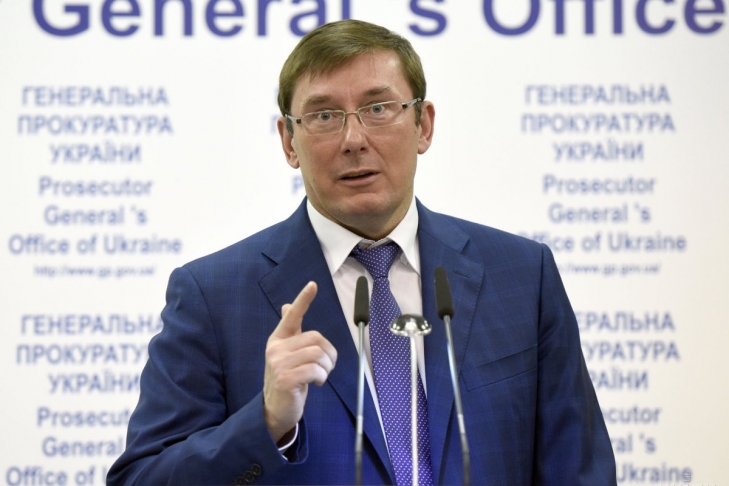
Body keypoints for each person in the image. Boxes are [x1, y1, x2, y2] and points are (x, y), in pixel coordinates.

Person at [107, 19, 616, 486]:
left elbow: (580, 471)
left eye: (378, 108)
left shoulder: (522, 276)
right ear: (289, 141)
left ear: (423, 125)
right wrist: (265, 422)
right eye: (324, 115)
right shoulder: (214, 295)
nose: (354, 139)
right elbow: (141, 479)